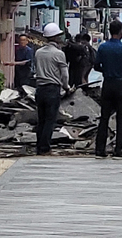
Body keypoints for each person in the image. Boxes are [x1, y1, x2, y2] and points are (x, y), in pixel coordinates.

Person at [94, 20, 122, 158]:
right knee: (121, 118)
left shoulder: (103, 47)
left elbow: (96, 66)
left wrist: (106, 70)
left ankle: (100, 149)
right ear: (121, 31)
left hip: (107, 84)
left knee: (104, 117)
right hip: (121, 84)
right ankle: (118, 149)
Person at [34, 23, 71, 155]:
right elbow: (65, 74)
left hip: (40, 89)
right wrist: (66, 87)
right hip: (52, 89)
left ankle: (39, 146)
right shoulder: (59, 54)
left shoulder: (38, 53)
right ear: (55, 37)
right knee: (50, 119)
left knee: (41, 119)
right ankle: (45, 148)